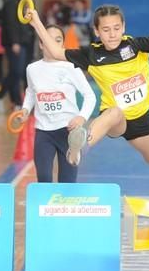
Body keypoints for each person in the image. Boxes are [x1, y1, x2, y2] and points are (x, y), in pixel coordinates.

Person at [25, 4, 149, 167]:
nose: (112, 34)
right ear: (96, 31)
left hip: (141, 119)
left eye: (116, 28)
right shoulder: (91, 54)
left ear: (123, 27)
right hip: (115, 120)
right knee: (114, 112)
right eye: (106, 30)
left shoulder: (135, 45)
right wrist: (36, 22)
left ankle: (85, 143)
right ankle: (80, 146)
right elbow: (57, 52)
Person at [17, 25, 96, 182]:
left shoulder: (71, 66)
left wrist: (81, 117)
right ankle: (44, 206)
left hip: (68, 131)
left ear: (63, 45)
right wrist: (25, 109)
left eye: (58, 40)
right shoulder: (32, 69)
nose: (53, 43)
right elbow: (31, 92)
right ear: (41, 43)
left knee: (67, 182)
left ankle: (74, 152)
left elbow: (90, 96)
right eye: (48, 39)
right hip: (43, 131)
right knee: (44, 178)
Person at [0, 0, 32, 112]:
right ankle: (9, 99)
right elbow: (11, 23)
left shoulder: (25, 1)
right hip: (15, 42)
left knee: (18, 72)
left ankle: (10, 99)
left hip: (25, 41)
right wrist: (14, 42)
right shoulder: (11, 1)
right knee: (16, 72)